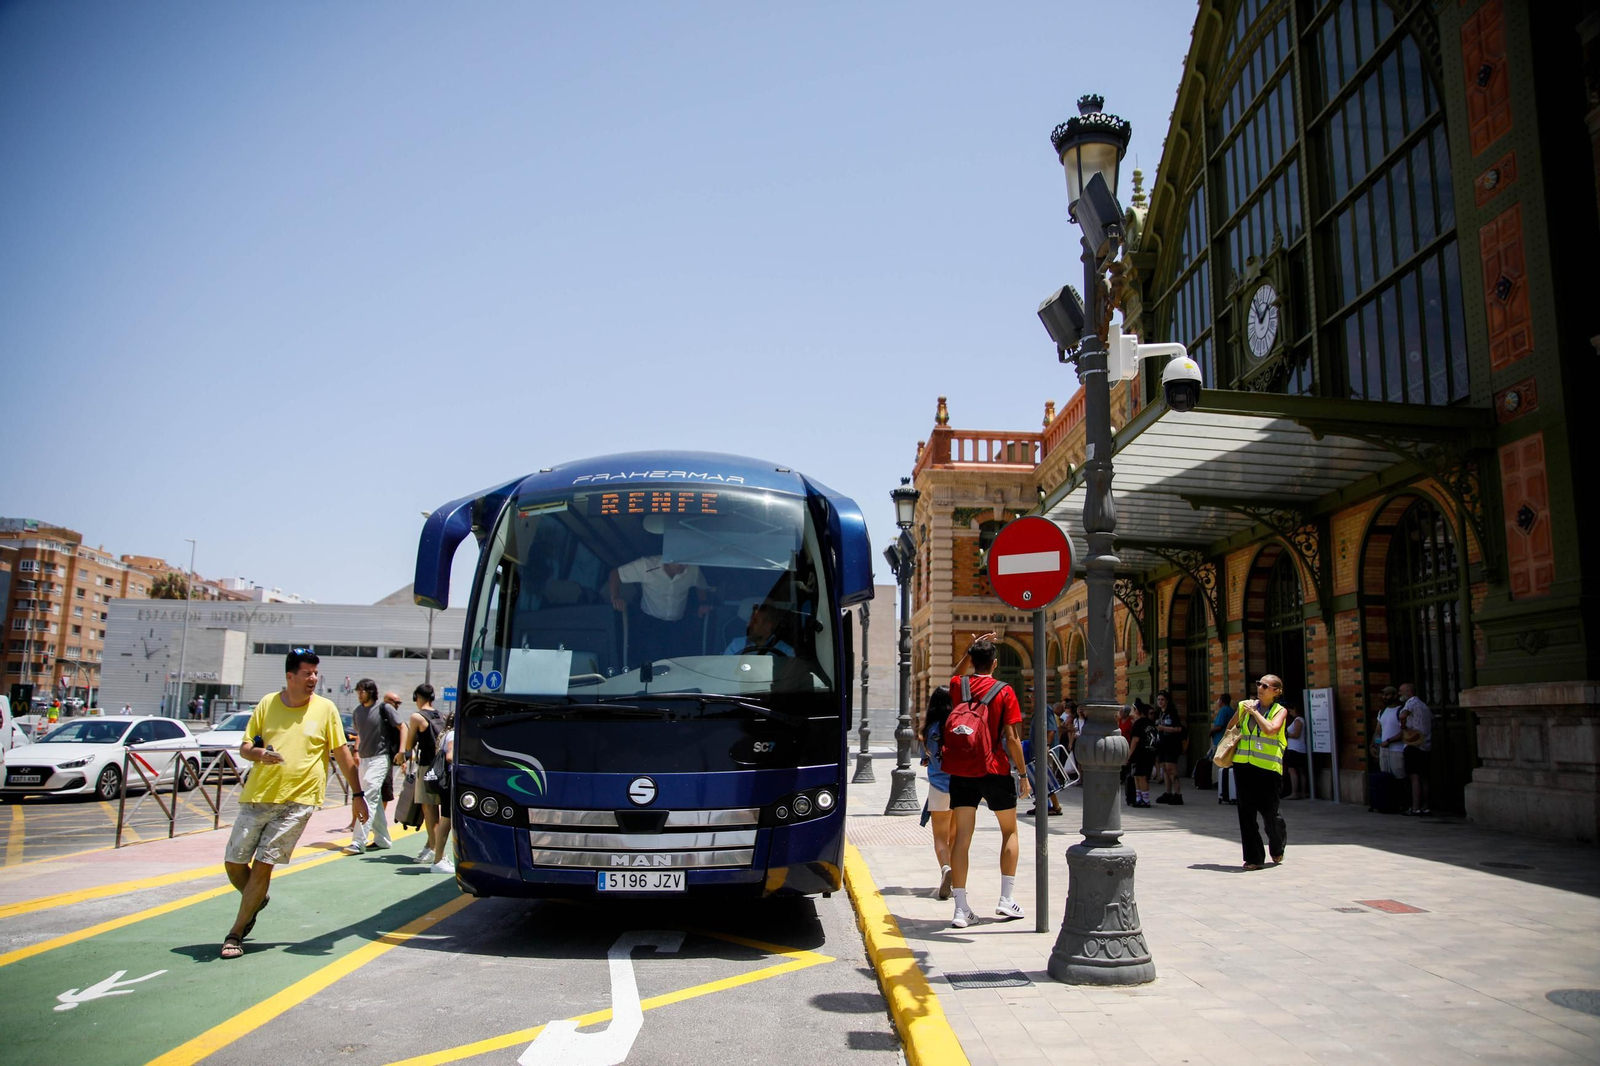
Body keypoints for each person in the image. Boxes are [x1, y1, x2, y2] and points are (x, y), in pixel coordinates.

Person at [222, 649, 366, 959]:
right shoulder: (267, 703)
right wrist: (259, 754)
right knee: (233, 863)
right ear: (290, 676)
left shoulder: (325, 709)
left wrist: (358, 795)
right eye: (307, 673)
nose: (313, 678)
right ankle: (256, 898)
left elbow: (342, 754)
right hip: (258, 795)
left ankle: (235, 932)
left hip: (299, 800)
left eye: (315, 673)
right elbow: (246, 747)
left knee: (264, 864)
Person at [944, 638, 1030, 928]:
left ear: (971, 660)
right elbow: (1012, 738)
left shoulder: (959, 686)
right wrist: (1023, 774)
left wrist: (970, 652)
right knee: (1009, 831)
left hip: (961, 771)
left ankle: (961, 909)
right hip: (994, 769)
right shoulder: (1004, 691)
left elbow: (954, 675)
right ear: (995, 663)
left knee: (962, 838)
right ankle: (1006, 899)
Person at [609, 554, 713, 666]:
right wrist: (615, 597)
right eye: (680, 563)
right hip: (649, 624)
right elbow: (615, 574)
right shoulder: (646, 566)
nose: (685, 566)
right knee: (652, 663)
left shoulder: (693, 570)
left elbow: (701, 586)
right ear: (669, 557)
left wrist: (703, 603)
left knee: (677, 663)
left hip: (677, 626)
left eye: (686, 562)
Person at [1233, 675, 1289, 870]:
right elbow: (1231, 727)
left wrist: (1255, 713)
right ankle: (1254, 858)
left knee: (1270, 813)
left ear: (1276, 691)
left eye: (1265, 686)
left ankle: (1277, 846)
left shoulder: (1280, 710)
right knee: (1246, 813)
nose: (1260, 688)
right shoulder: (1244, 706)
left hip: (1268, 769)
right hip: (1243, 765)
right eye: (1259, 684)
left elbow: (1271, 730)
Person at [342, 678, 402, 855]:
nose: (359, 694)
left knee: (368, 796)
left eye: (363, 691)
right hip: (364, 759)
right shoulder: (357, 711)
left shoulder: (384, 708)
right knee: (372, 797)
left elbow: (403, 727)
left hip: (380, 758)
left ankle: (358, 841)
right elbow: (360, 733)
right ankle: (382, 839)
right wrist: (356, 751)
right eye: (358, 691)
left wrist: (402, 751)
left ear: (371, 692)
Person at [397, 684, 450, 866]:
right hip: (442, 767)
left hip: (427, 766)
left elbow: (410, 744)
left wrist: (403, 752)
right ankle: (430, 845)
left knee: (429, 810)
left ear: (416, 697)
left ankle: (436, 851)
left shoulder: (417, 717)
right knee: (439, 811)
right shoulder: (441, 716)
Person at [916, 686, 956, 900]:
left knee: (940, 837)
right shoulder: (956, 726)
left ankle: (946, 868)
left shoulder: (929, 730)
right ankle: (956, 877)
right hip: (959, 786)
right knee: (955, 837)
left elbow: (925, 759)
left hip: (938, 787)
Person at [1398, 682, 1433, 816]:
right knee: (1424, 777)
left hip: (1413, 744)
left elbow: (1403, 715)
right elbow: (1433, 721)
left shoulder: (1411, 703)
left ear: (1409, 692)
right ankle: (1426, 807)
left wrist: (1404, 727)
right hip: (1425, 745)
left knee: (1414, 777)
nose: (1399, 694)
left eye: (1401, 691)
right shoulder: (1424, 706)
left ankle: (1415, 807)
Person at [721, 601, 794, 656]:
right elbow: (724, 668)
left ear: (767, 626)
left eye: (755, 621)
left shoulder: (786, 652)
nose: (749, 625)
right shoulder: (736, 646)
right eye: (750, 620)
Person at [1125, 699, 1159, 808]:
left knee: (1141, 777)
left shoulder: (1139, 723)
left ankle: (1145, 800)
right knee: (1137, 776)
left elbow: (1135, 740)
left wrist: (1129, 755)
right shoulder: (1150, 723)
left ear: (1137, 711)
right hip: (1150, 753)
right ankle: (1139, 798)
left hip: (1141, 753)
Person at [1153, 690, 1185, 805]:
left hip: (1172, 744)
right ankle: (1168, 793)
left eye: (1162, 699)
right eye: (1158, 699)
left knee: (1171, 769)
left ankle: (1178, 793)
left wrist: (1164, 728)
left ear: (1167, 701)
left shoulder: (1172, 713)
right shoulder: (1158, 713)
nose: (1160, 702)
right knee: (1164, 769)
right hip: (1161, 744)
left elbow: (1179, 729)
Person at [1210, 692, 1236, 804]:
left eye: (1219, 700)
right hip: (1228, 740)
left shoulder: (1223, 710)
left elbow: (1219, 726)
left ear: (1221, 701)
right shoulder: (1231, 710)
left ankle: (1217, 782)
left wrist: (1211, 731)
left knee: (1218, 762)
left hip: (1220, 740)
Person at [1283, 706, 1309, 799]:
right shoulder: (1300, 720)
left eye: (1291, 710)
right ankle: (1302, 792)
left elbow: (1296, 734)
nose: (1290, 713)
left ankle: (1294, 792)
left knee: (1292, 770)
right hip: (1299, 748)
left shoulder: (1298, 720)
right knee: (1301, 771)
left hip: (1295, 749)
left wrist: (1286, 734)